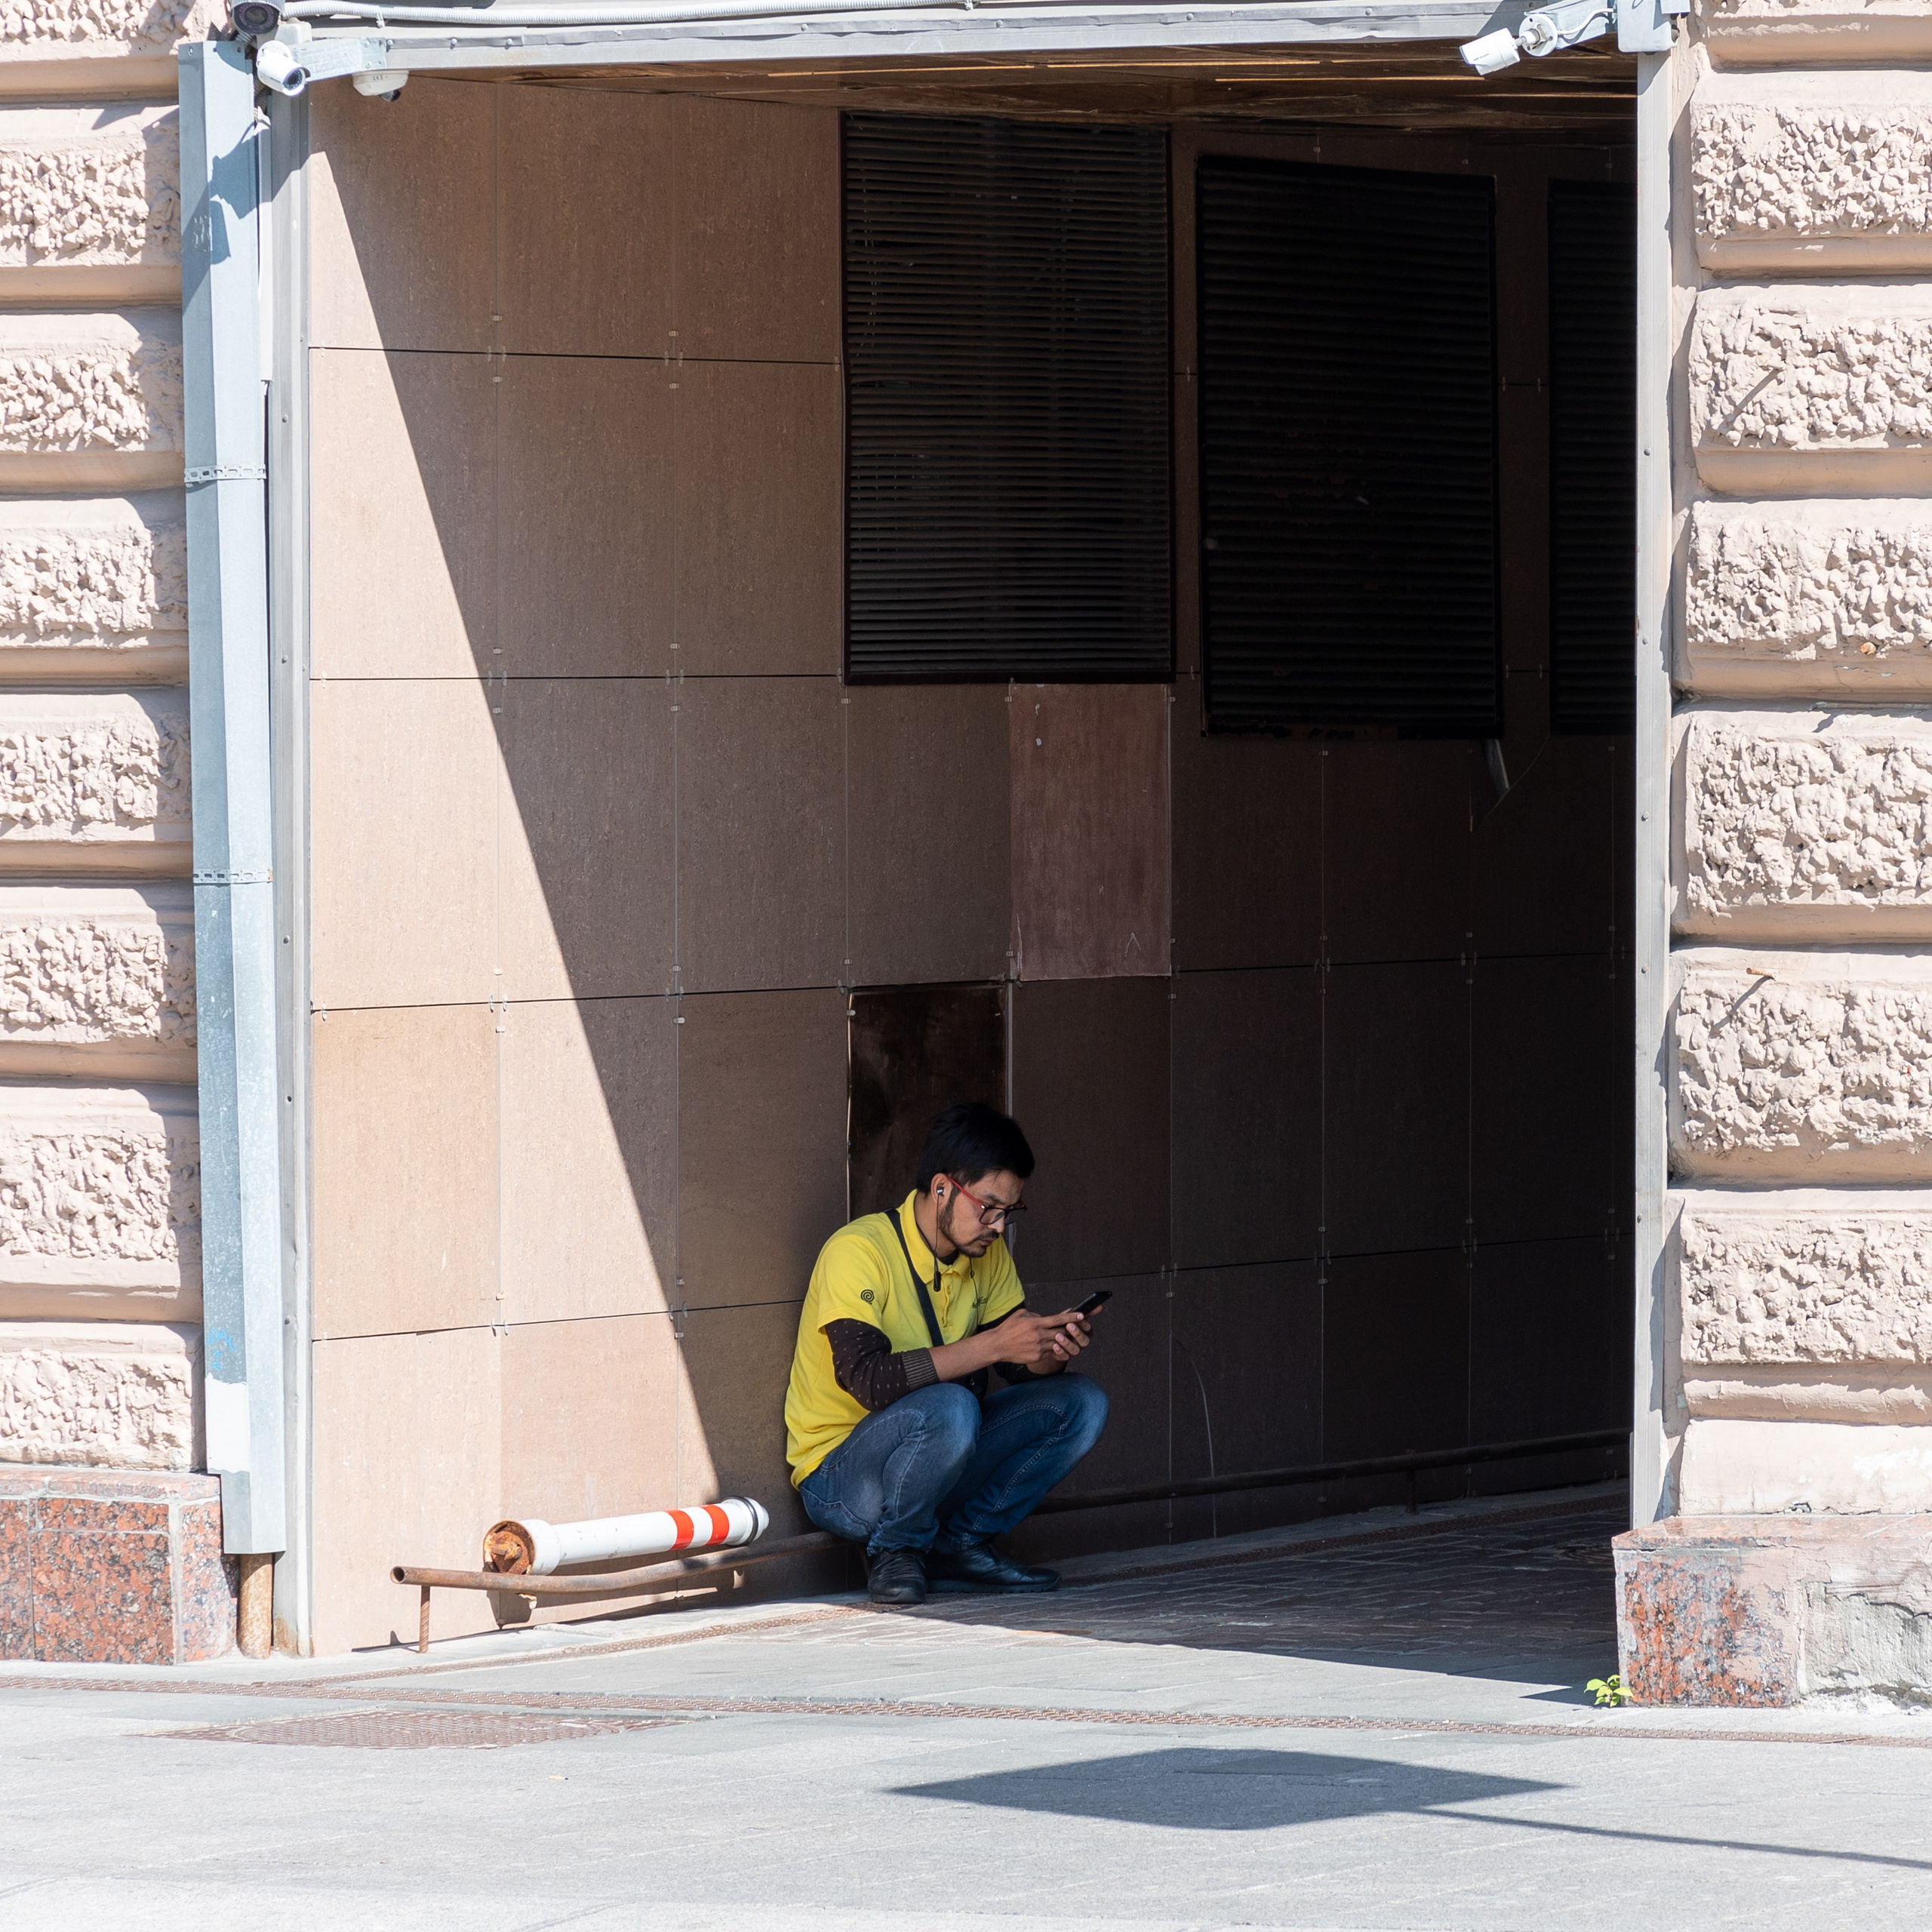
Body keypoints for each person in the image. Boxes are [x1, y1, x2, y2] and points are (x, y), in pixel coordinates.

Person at [783, 1101, 1109, 1607]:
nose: (998, 1226)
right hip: (842, 1479)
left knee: (1080, 1402)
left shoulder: (987, 1254)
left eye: (1010, 1211)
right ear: (942, 1189)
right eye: (989, 1207)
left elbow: (1014, 1367)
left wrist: (1051, 1348)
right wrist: (994, 1343)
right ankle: (897, 1551)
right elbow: (869, 1380)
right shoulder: (858, 1251)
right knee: (953, 1405)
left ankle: (960, 1545)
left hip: (937, 1458)